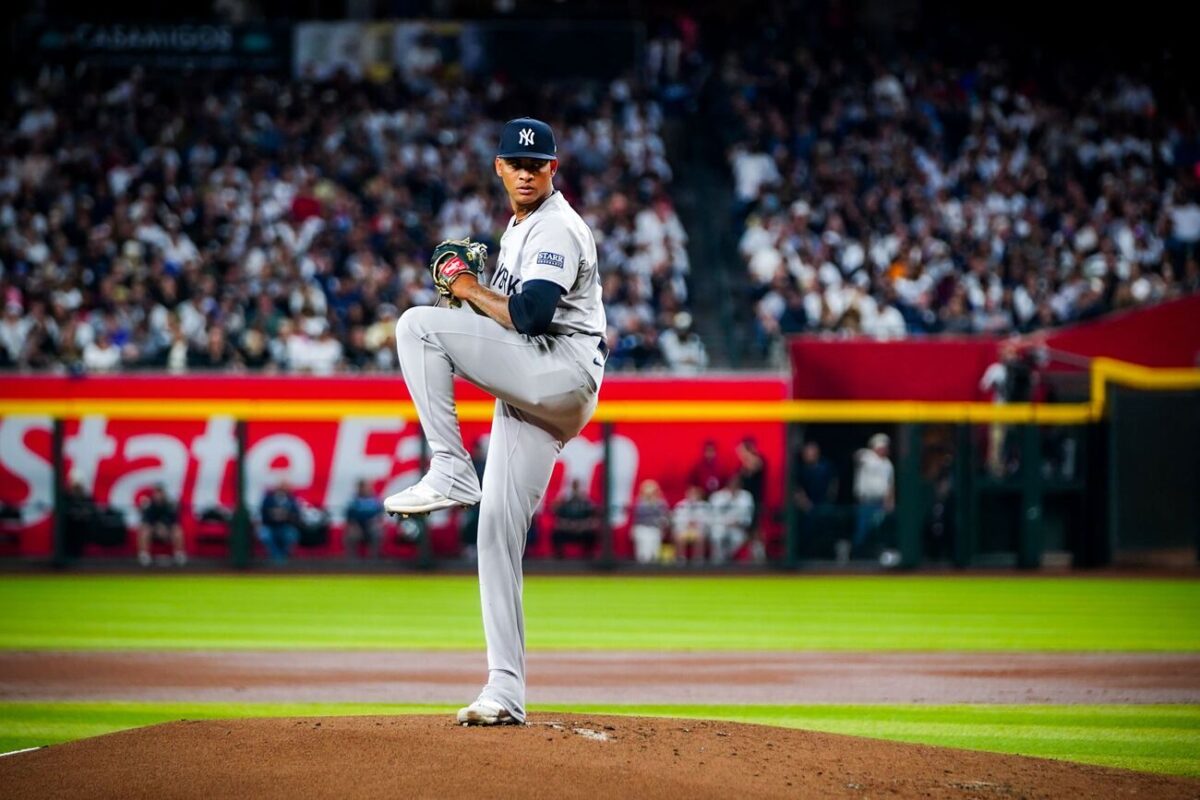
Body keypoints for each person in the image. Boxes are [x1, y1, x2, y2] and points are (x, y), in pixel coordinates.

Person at [384, 117, 606, 726]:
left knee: (415, 325)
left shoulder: (557, 225)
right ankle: (504, 691)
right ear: (500, 169)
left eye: (539, 164)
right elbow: (506, 315)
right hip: (537, 390)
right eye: (518, 163)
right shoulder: (519, 230)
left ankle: (452, 466)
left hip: (559, 370)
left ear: (553, 169)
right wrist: (473, 295)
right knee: (497, 536)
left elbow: (532, 315)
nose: (528, 172)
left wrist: (461, 286)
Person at [851, 433, 895, 559]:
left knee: (878, 531)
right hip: (865, 502)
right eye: (881, 447)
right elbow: (857, 456)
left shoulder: (888, 464)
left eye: (885, 447)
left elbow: (890, 485)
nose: (883, 449)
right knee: (861, 531)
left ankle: (873, 557)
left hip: (880, 503)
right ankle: (855, 557)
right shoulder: (867, 456)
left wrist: (889, 502)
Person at [794, 441, 838, 557]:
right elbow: (796, 487)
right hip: (806, 509)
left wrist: (830, 498)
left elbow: (833, 483)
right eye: (807, 452)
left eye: (812, 451)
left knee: (826, 533)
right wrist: (803, 502)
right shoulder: (799, 469)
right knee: (807, 534)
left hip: (823, 506)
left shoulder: (826, 466)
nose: (809, 454)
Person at [708, 475, 755, 564]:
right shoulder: (717, 497)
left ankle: (727, 560)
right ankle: (718, 561)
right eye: (732, 484)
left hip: (738, 527)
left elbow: (748, 516)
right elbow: (713, 516)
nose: (734, 487)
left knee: (737, 539)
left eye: (736, 485)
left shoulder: (746, 497)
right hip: (720, 526)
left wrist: (740, 522)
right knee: (717, 536)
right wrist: (726, 522)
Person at [136, 484, 187, 567]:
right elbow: (146, 521)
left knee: (177, 530)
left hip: (167, 531)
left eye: (160, 493)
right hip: (153, 531)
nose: (158, 495)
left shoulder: (170, 505)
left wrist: (165, 527)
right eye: (156, 493)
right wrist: (157, 527)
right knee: (145, 530)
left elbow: (175, 521)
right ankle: (144, 555)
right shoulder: (149, 506)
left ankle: (179, 555)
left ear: (164, 494)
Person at [550, 479, 600, 560]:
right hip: (567, 529)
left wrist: (582, 525)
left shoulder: (585, 502)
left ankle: (588, 554)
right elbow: (558, 518)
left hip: (582, 530)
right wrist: (569, 525)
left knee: (591, 534)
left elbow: (592, 518)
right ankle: (559, 555)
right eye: (574, 486)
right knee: (556, 534)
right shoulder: (565, 501)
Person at [735, 437, 767, 562]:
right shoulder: (742, 468)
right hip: (743, 504)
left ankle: (761, 554)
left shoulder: (758, 461)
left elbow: (754, 465)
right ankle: (752, 555)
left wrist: (747, 453)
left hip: (756, 501)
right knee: (747, 531)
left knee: (757, 529)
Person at [259, 481, 301, 565]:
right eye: (282, 486)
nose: (283, 488)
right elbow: (264, 513)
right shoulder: (268, 499)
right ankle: (277, 558)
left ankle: (283, 557)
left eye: (285, 486)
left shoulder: (291, 500)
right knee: (265, 534)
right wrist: (273, 516)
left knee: (291, 535)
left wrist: (286, 516)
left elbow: (296, 514)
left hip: (285, 526)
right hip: (270, 526)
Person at [630, 479, 671, 564]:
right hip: (642, 529)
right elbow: (638, 517)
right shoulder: (639, 502)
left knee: (654, 554)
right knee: (644, 554)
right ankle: (641, 572)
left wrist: (662, 526)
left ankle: (653, 573)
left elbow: (664, 518)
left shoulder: (661, 503)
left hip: (655, 529)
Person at [343, 480, 384, 559]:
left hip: (371, 524)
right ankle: (351, 559)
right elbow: (349, 515)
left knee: (377, 531)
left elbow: (380, 514)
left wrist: (377, 522)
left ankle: (374, 557)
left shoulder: (375, 499)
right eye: (363, 487)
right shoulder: (353, 499)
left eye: (367, 487)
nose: (366, 489)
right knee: (351, 534)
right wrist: (353, 525)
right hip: (357, 524)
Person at [671, 484, 711, 564]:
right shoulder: (681, 505)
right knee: (678, 536)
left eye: (695, 493)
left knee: (700, 537)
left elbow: (708, 520)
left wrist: (697, 523)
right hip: (684, 529)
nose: (693, 495)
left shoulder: (704, 506)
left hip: (698, 530)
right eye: (691, 493)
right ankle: (680, 560)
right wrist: (686, 523)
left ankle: (698, 560)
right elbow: (676, 519)